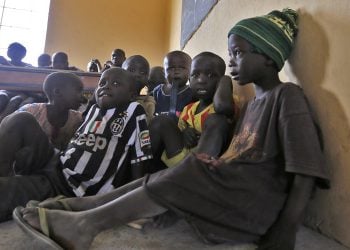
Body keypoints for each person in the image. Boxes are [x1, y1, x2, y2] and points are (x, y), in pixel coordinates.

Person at [14, 8, 330, 250]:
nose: (231, 61)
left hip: (255, 207)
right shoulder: (253, 105)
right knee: (170, 172)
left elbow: (306, 167)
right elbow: (242, 158)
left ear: (269, 58)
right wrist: (217, 164)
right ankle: (82, 206)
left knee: (189, 169)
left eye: (238, 53)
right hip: (234, 193)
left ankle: (84, 226)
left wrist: (286, 228)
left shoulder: (286, 96)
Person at [0, 67, 153, 222]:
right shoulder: (92, 110)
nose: (106, 86)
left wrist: (137, 200)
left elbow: (140, 156)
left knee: (7, 191)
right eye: (102, 83)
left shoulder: (134, 110)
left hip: (68, 187)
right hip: (56, 161)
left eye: (115, 83)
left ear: (132, 95)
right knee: (20, 119)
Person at [150, 51, 234, 168]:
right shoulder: (188, 109)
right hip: (181, 159)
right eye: (195, 75)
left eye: (211, 75)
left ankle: (197, 171)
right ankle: (145, 168)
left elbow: (223, 107)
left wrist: (225, 80)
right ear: (190, 79)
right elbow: (177, 133)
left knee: (217, 120)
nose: (201, 80)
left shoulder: (223, 102)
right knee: (161, 121)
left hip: (200, 168)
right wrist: (184, 134)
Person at [15, 72, 86, 151]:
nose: (83, 97)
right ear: (57, 92)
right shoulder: (31, 111)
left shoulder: (78, 119)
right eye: (79, 91)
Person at [153, 50, 195, 121]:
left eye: (182, 68)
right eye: (171, 68)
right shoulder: (158, 91)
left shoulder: (192, 91)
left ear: (191, 71)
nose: (176, 72)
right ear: (164, 72)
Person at [122, 55, 155, 123]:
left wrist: (140, 100)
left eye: (142, 73)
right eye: (131, 70)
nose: (137, 75)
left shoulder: (149, 101)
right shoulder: (115, 95)